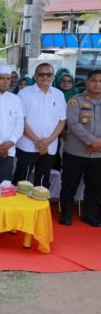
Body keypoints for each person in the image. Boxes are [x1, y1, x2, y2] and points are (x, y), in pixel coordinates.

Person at [12, 63, 66, 189]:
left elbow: (62, 121)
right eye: (41, 74)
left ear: (53, 77)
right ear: (35, 76)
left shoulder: (59, 94)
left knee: (42, 182)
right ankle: (19, 208)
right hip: (27, 146)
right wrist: (38, 142)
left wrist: (48, 141)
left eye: (49, 74)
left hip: (50, 146)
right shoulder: (24, 93)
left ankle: (39, 209)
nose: (45, 77)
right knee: (21, 180)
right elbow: (21, 121)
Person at [60, 70, 101, 226]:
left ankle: (89, 214)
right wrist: (93, 142)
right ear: (87, 82)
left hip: (98, 155)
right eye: (94, 80)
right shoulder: (75, 101)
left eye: (100, 81)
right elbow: (74, 124)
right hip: (76, 152)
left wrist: (99, 143)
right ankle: (66, 213)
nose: (97, 83)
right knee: (70, 183)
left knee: (94, 185)